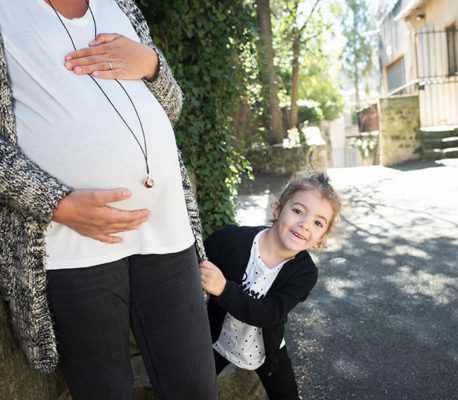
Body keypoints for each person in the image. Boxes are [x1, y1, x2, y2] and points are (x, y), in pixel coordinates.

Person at [0, 1, 216, 399]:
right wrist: (57, 204)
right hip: (73, 247)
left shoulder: (121, 5)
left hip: (166, 230)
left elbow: (172, 107)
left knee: (196, 390)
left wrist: (151, 64)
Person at [200, 172, 341, 400]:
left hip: (264, 348)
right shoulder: (229, 240)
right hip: (216, 340)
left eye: (317, 222)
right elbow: (193, 265)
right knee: (190, 389)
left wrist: (224, 289)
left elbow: (269, 314)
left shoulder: (305, 274)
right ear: (277, 209)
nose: (305, 225)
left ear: (321, 237)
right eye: (298, 211)